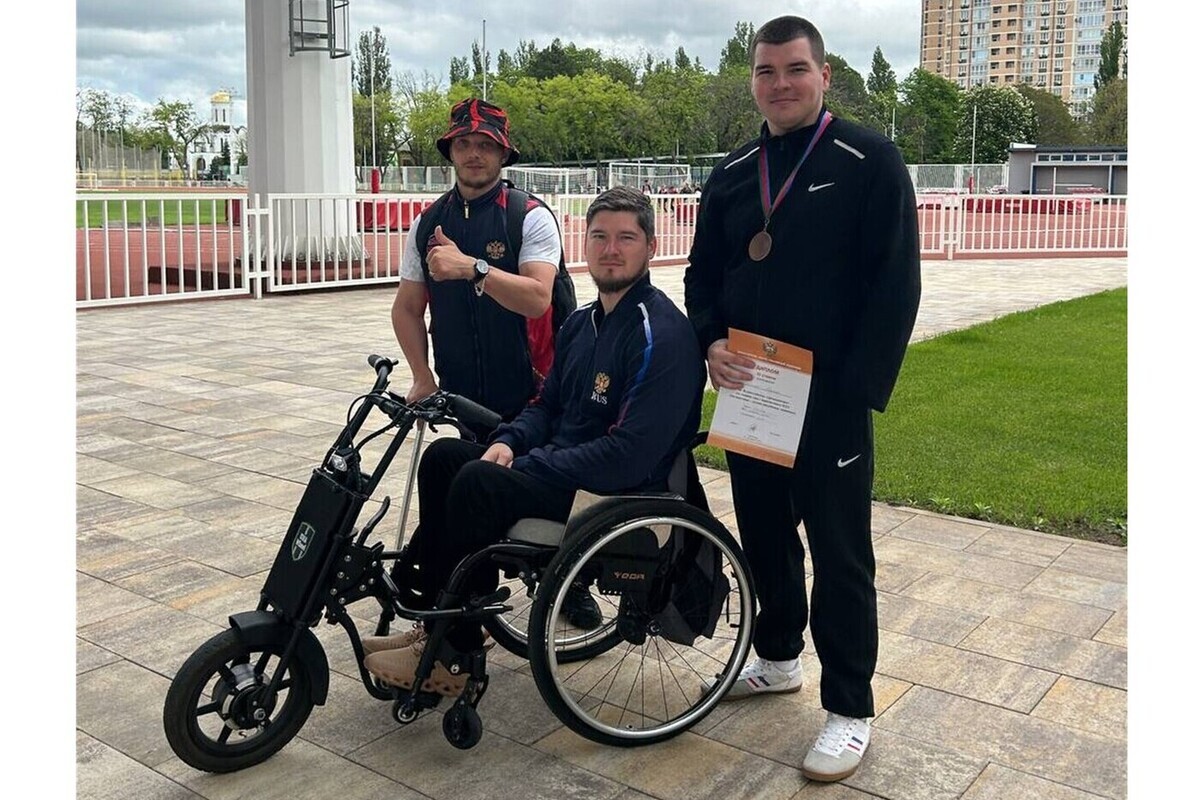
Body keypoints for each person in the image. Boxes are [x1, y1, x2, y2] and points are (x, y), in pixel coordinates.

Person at [684, 15, 920, 783]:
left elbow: (896, 285)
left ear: (824, 75)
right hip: (754, 390)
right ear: (752, 81)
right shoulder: (732, 171)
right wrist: (710, 342)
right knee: (765, 537)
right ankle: (779, 656)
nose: (779, 83)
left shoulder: (868, 160)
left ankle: (849, 708)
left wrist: (854, 392)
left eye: (794, 69)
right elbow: (703, 274)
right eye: (766, 71)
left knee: (840, 553)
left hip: (831, 400)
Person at [362, 186, 705, 697]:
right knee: (444, 458)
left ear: (651, 247)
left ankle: (451, 654)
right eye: (600, 237)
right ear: (584, 245)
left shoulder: (661, 334)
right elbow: (547, 406)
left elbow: (628, 455)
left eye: (626, 238)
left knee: (479, 483)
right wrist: (509, 440)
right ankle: (441, 618)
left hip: (612, 490)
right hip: (567, 468)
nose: (611, 250)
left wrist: (530, 462)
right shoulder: (582, 324)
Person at [388, 99, 596, 628]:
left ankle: (568, 581)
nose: (474, 154)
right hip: (465, 395)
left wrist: (471, 267)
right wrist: (421, 375)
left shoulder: (528, 216)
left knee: (536, 493)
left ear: (503, 155)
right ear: (450, 152)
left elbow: (537, 298)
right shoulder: (427, 223)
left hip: (532, 390)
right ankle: (466, 600)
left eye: (486, 145)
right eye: (464, 144)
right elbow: (407, 307)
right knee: (468, 491)